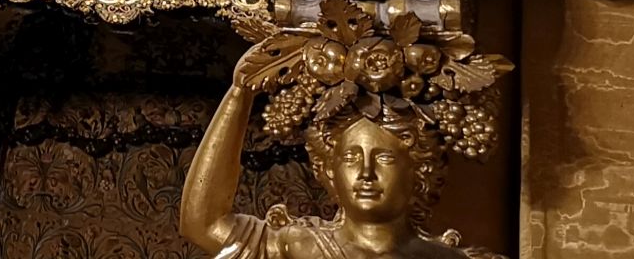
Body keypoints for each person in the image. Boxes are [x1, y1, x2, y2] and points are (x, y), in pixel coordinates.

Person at [180, 44, 469, 259]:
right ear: (330, 168)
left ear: (418, 170)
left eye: (385, 158)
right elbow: (203, 224)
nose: (366, 174)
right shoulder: (296, 247)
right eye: (351, 158)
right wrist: (239, 95)